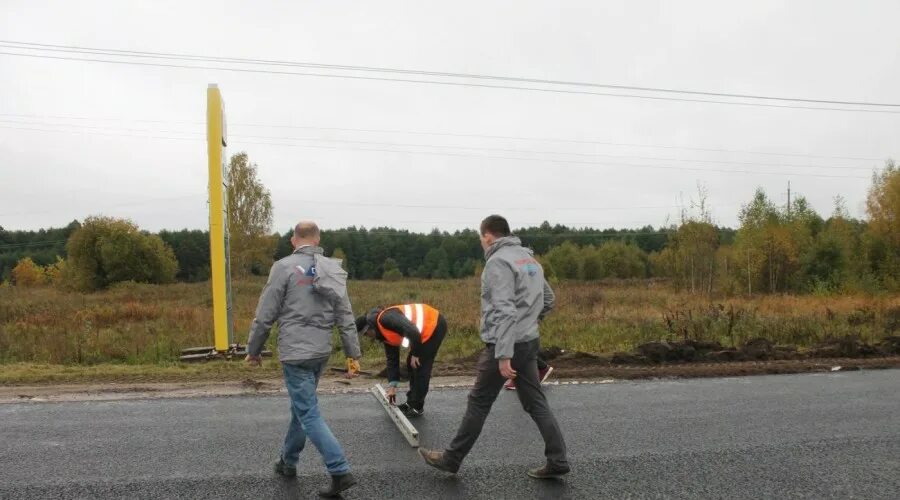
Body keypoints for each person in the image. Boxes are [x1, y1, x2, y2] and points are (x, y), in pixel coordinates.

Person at [419, 215, 570, 479]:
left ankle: (451, 459)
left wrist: (503, 354)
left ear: (488, 236)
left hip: (506, 344)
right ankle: (557, 460)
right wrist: (531, 321)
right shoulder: (529, 260)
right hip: (529, 341)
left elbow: (504, 310)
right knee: (535, 402)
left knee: (479, 401)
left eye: (481, 238)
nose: (482, 242)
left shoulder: (498, 262)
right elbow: (548, 299)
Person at [245, 221, 361, 498]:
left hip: (295, 353)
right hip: (320, 352)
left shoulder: (283, 267)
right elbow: (345, 315)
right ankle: (288, 461)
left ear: (293, 240)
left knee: (308, 412)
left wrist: (254, 348)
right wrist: (352, 354)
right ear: (318, 239)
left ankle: (340, 470)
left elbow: (265, 313)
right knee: (301, 407)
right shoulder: (331, 269)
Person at [355, 303, 448, 417]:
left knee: (419, 365)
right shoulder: (383, 334)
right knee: (411, 364)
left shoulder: (386, 319)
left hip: (433, 324)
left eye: (366, 334)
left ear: (369, 327)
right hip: (421, 333)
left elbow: (412, 331)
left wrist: (416, 354)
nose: (367, 336)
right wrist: (392, 386)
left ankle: (417, 407)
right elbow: (392, 360)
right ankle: (411, 403)